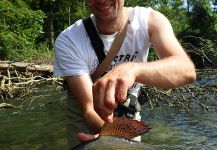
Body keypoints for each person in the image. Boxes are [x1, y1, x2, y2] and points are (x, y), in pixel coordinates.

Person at [53, 0, 196, 149]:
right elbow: (88, 109)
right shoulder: (69, 40)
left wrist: (134, 69)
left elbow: (186, 70)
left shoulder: (150, 20)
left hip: (127, 108)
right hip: (85, 112)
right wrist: (109, 140)